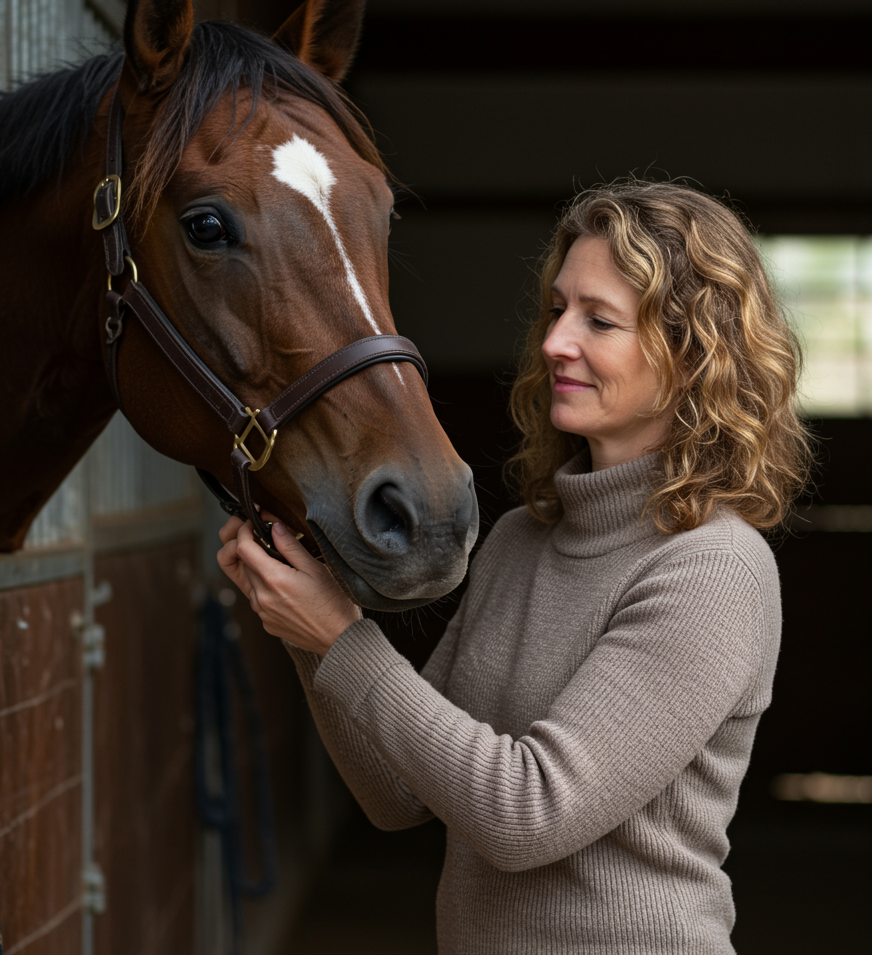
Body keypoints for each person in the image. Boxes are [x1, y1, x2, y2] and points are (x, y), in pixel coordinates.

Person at [217, 180, 812, 954]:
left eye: (599, 320)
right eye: (558, 310)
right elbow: (397, 795)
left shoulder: (712, 570)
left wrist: (340, 638)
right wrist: (306, 619)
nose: (557, 340)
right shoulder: (521, 541)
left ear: (694, 355)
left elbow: (529, 815)